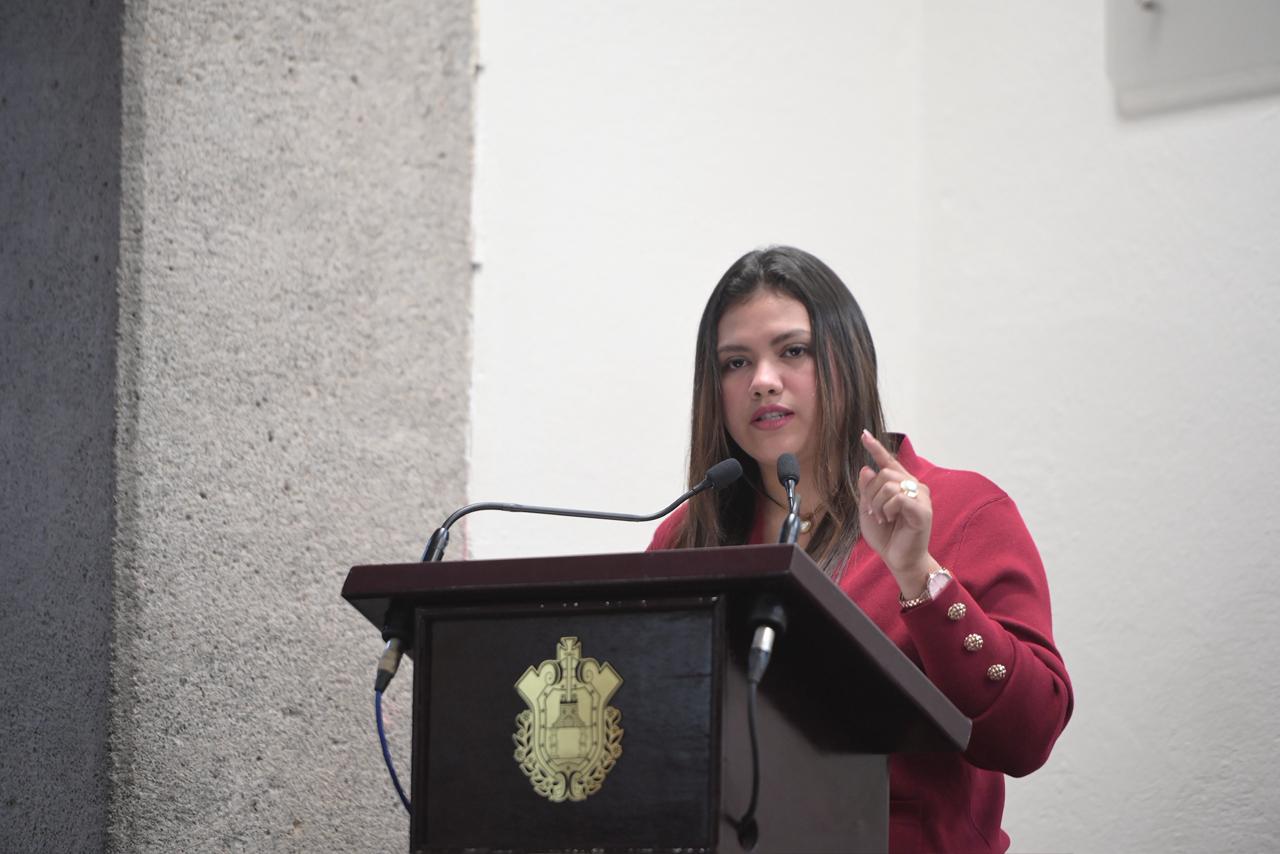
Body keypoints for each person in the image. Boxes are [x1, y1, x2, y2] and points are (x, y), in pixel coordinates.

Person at [647, 246, 1073, 853]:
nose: (762, 380)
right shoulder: (686, 536)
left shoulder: (964, 512)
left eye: (793, 351)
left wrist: (920, 575)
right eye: (735, 362)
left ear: (848, 359)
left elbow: (1028, 737)